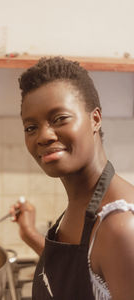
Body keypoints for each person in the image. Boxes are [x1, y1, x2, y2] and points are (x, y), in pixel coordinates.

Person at [10, 56, 134, 300]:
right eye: (30, 127)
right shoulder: (82, 201)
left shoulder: (121, 227)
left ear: (95, 119)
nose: (43, 136)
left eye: (59, 119)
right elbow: (79, 270)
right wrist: (29, 234)